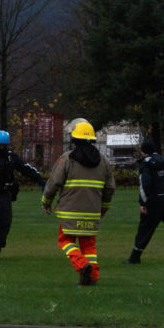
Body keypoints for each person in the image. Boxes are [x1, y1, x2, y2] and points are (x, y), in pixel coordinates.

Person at [41, 121, 115, 286]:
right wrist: (104, 208)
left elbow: (53, 183)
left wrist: (46, 202)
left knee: (65, 241)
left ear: (74, 139)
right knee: (88, 246)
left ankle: (82, 265)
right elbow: (110, 188)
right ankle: (92, 276)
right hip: (92, 212)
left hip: (69, 212)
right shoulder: (103, 161)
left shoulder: (66, 159)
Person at [0, 130, 46, 260]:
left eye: (3, 145)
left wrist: (41, 181)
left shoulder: (11, 157)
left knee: (5, 222)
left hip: (5, 193)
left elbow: (26, 168)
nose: (1, 148)